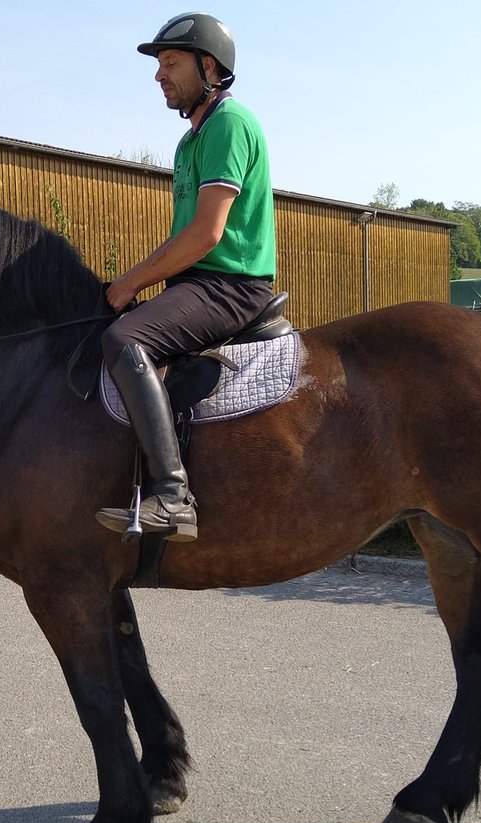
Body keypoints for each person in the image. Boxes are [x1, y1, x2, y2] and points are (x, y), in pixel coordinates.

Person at [95, 12, 277, 543]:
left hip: (231, 285)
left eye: (170, 62)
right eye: (159, 65)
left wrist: (130, 283)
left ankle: (172, 497)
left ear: (209, 66)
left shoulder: (229, 123)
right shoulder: (187, 143)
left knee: (124, 336)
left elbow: (205, 235)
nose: (159, 75)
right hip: (197, 285)